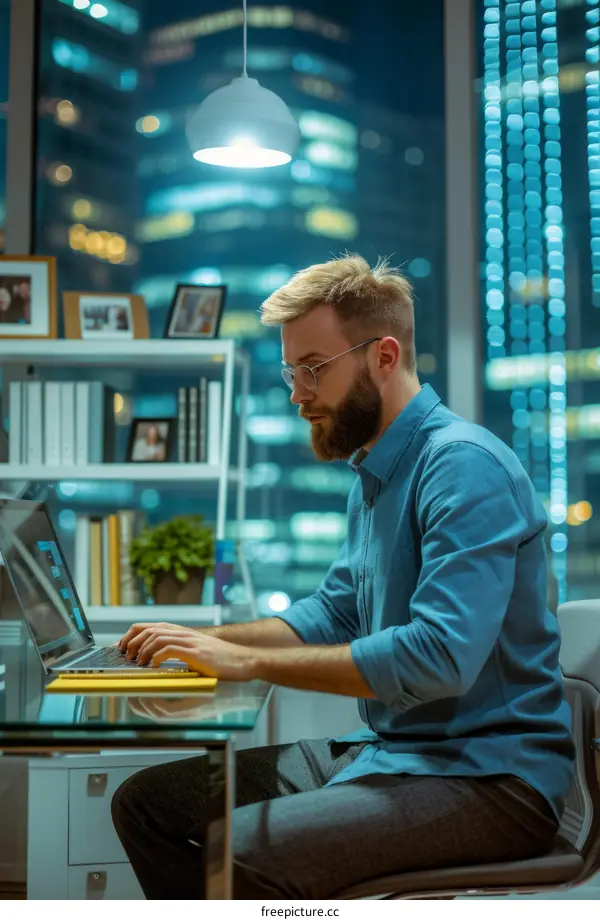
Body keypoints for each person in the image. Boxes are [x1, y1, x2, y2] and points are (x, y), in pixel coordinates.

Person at [112, 255, 574, 900]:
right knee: (146, 805)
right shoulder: (375, 474)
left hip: (489, 778)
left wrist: (242, 662)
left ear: (384, 356)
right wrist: (197, 645)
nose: (297, 391)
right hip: (394, 751)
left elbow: (439, 658)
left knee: (239, 851)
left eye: (313, 368)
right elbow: (333, 612)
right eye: (291, 370)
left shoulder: (462, 466)